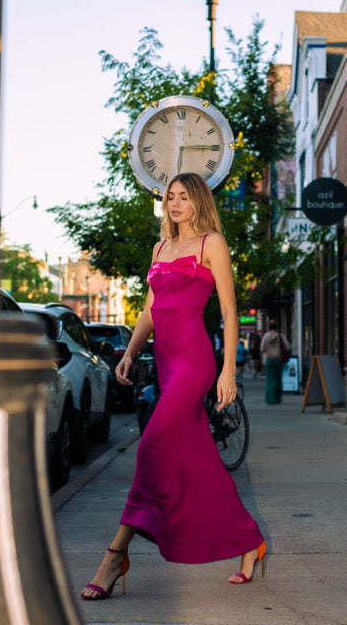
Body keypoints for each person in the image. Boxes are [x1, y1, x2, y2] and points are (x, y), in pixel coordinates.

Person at [81, 172, 266, 600]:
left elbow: (229, 310)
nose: (175, 204)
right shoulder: (160, 247)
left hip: (195, 361)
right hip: (165, 361)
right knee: (197, 462)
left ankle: (115, 555)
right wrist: (129, 350)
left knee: (151, 447)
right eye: (170, 197)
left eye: (183, 197)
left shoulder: (211, 243)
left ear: (198, 201)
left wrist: (228, 371)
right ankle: (249, 540)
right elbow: (150, 308)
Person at [260, 319, 290, 404]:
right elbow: (287, 347)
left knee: (270, 380)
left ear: (269, 327)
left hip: (269, 359)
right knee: (278, 379)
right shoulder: (281, 336)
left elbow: (262, 348)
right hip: (278, 360)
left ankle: (270, 399)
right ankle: (278, 398)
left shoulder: (266, 336)